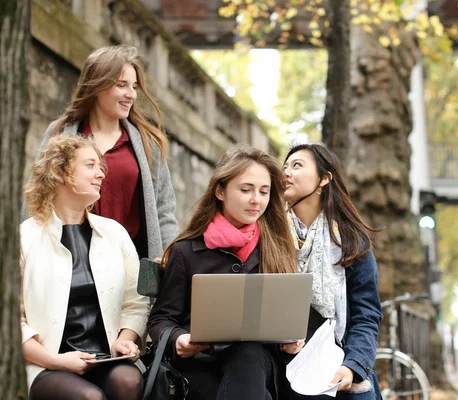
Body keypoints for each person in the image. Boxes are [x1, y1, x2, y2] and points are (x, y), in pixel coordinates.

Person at [147, 145, 299, 399]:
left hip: (259, 364)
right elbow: (160, 319)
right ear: (220, 191)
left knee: (248, 353)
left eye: (264, 191)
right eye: (246, 190)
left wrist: (291, 341)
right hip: (200, 365)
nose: (256, 200)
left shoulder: (277, 249)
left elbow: (287, 321)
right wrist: (178, 339)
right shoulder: (186, 251)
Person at [20, 135, 151, 399]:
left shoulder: (115, 233)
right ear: (60, 172)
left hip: (107, 358)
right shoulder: (25, 237)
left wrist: (125, 340)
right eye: (90, 165)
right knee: (89, 397)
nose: (101, 173)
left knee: (128, 382)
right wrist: (56, 361)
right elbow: (13, 320)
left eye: (100, 166)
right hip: (47, 364)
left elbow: (135, 302)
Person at [36, 44, 177, 260]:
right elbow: (38, 195)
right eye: (122, 85)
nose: (131, 95)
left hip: (130, 266)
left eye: (134, 87)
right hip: (70, 263)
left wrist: (168, 255)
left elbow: (164, 210)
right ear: (97, 86)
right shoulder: (59, 132)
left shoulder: (149, 144)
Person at [281, 143, 384, 399]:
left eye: (297, 165)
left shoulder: (350, 241)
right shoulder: (270, 235)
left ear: (324, 179)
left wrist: (352, 366)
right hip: (285, 362)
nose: (286, 172)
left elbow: (366, 313)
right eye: (284, 166)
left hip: (338, 357)